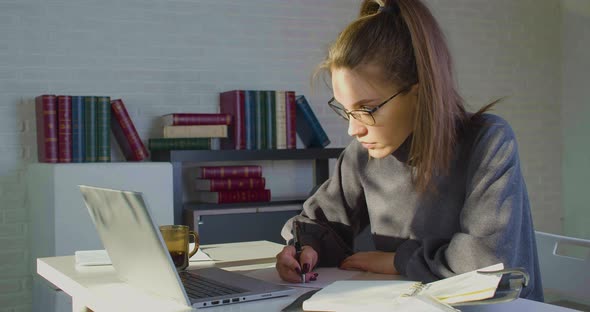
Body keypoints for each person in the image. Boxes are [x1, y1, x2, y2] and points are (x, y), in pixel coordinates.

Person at [275, 0, 544, 301]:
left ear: (418, 94)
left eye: (367, 109)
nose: (354, 129)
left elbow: (486, 262)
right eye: (346, 110)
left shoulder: (489, 143)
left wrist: (397, 260)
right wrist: (305, 248)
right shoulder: (362, 155)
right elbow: (319, 222)